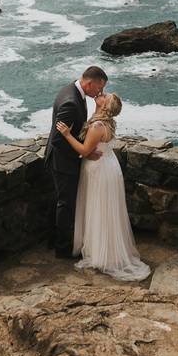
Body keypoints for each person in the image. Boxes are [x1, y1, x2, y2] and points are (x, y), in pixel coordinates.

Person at [56, 92, 150, 281]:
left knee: (98, 209)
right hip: (108, 165)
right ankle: (104, 249)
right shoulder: (106, 122)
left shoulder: (98, 126)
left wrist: (66, 134)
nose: (102, 93)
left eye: (104, 96)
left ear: (105, 106)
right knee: (106, 210)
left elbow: (84, 150)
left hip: (99, 170)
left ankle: (100, 254)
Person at [43, 66, 107, 258]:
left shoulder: (73, 90)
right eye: (99, 88)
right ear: (89, 84)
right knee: (66, 204)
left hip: (62, 159)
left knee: (59, 201)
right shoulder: (71, 102)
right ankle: (62, 249)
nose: (100, 92)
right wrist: (84, 153)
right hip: (62, 162)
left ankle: (52, 240)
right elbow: (57, 139)